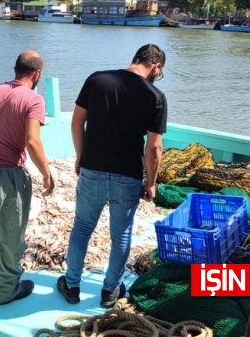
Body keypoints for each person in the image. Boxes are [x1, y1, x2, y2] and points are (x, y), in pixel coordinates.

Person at [57, 43, 167, 308]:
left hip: (92, 170)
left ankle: (71, 285)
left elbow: (76, 122)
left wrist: (80, 157)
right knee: (121, 236)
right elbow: (154, 147)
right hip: (126, 176)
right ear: (155, 66)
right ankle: (110, 292)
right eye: (159, 73)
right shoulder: (155, 96)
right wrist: (150, 183)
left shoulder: (97, 80)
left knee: (82, 229)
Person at [0, 50, 55, 305]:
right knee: (9, 235)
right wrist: (46, 173)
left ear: (15, 69)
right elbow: (32, 141)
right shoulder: (33, 99)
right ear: (37, 74)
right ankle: (4, 290)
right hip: (9, 176)